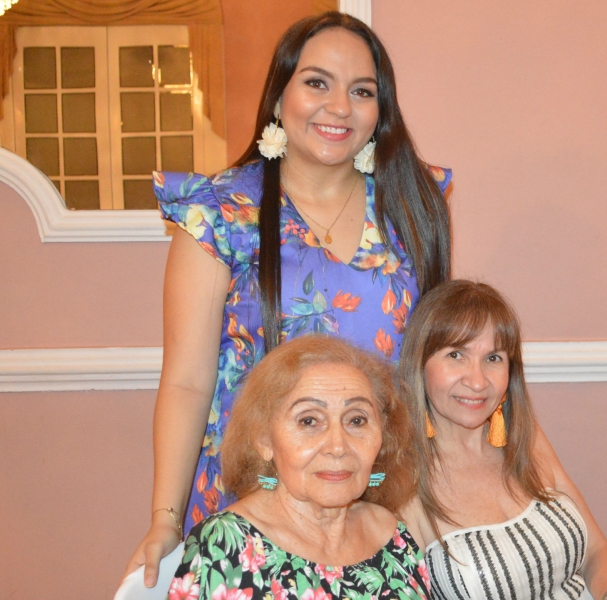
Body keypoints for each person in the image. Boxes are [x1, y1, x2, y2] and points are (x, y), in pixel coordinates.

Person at [125, 11, 451, 587]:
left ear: (382, 111)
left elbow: (424, 373)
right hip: (248, 507)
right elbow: (187, 380)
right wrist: (164, 522)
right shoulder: (220, 213)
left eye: (362, 91)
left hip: (373, 506)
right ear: (279, 95)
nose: (339, 107)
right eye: (317, 82)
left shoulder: (412, 208)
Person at [397, 281, 607, 600]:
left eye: (493, 358)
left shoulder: (525, 436)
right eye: (456, 354)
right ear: (419, 365)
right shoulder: (402, 479)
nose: (477, 381)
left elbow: (595, 550)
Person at [164, 334, 428, 600]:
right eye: (309, 421)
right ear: (264, 439)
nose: (338, 446)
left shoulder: (391, 535)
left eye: (357, 420)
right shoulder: (225, 546)